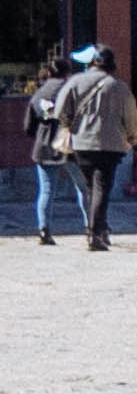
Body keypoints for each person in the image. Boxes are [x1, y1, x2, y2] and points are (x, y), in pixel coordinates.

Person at [47, 41, 137, 253]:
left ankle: (96, 228)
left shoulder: (75, 82)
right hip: (111, 144)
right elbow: (131, 118)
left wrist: (69, 124)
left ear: (93, 63)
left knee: (90, 186)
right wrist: (132, 138)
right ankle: (96, 232)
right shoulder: (118, 87)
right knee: (102, 187)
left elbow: (59, 110)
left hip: (82, 143)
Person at [20, 44, 68, 249]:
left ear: (48, 72)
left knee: (46, 190)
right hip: (69, 144)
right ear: (67, 72)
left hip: (45, 145)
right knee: (84, 188)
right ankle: (92, 228)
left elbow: (28, 126)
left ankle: (44, 229)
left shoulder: (39, 94)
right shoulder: (70, 89)